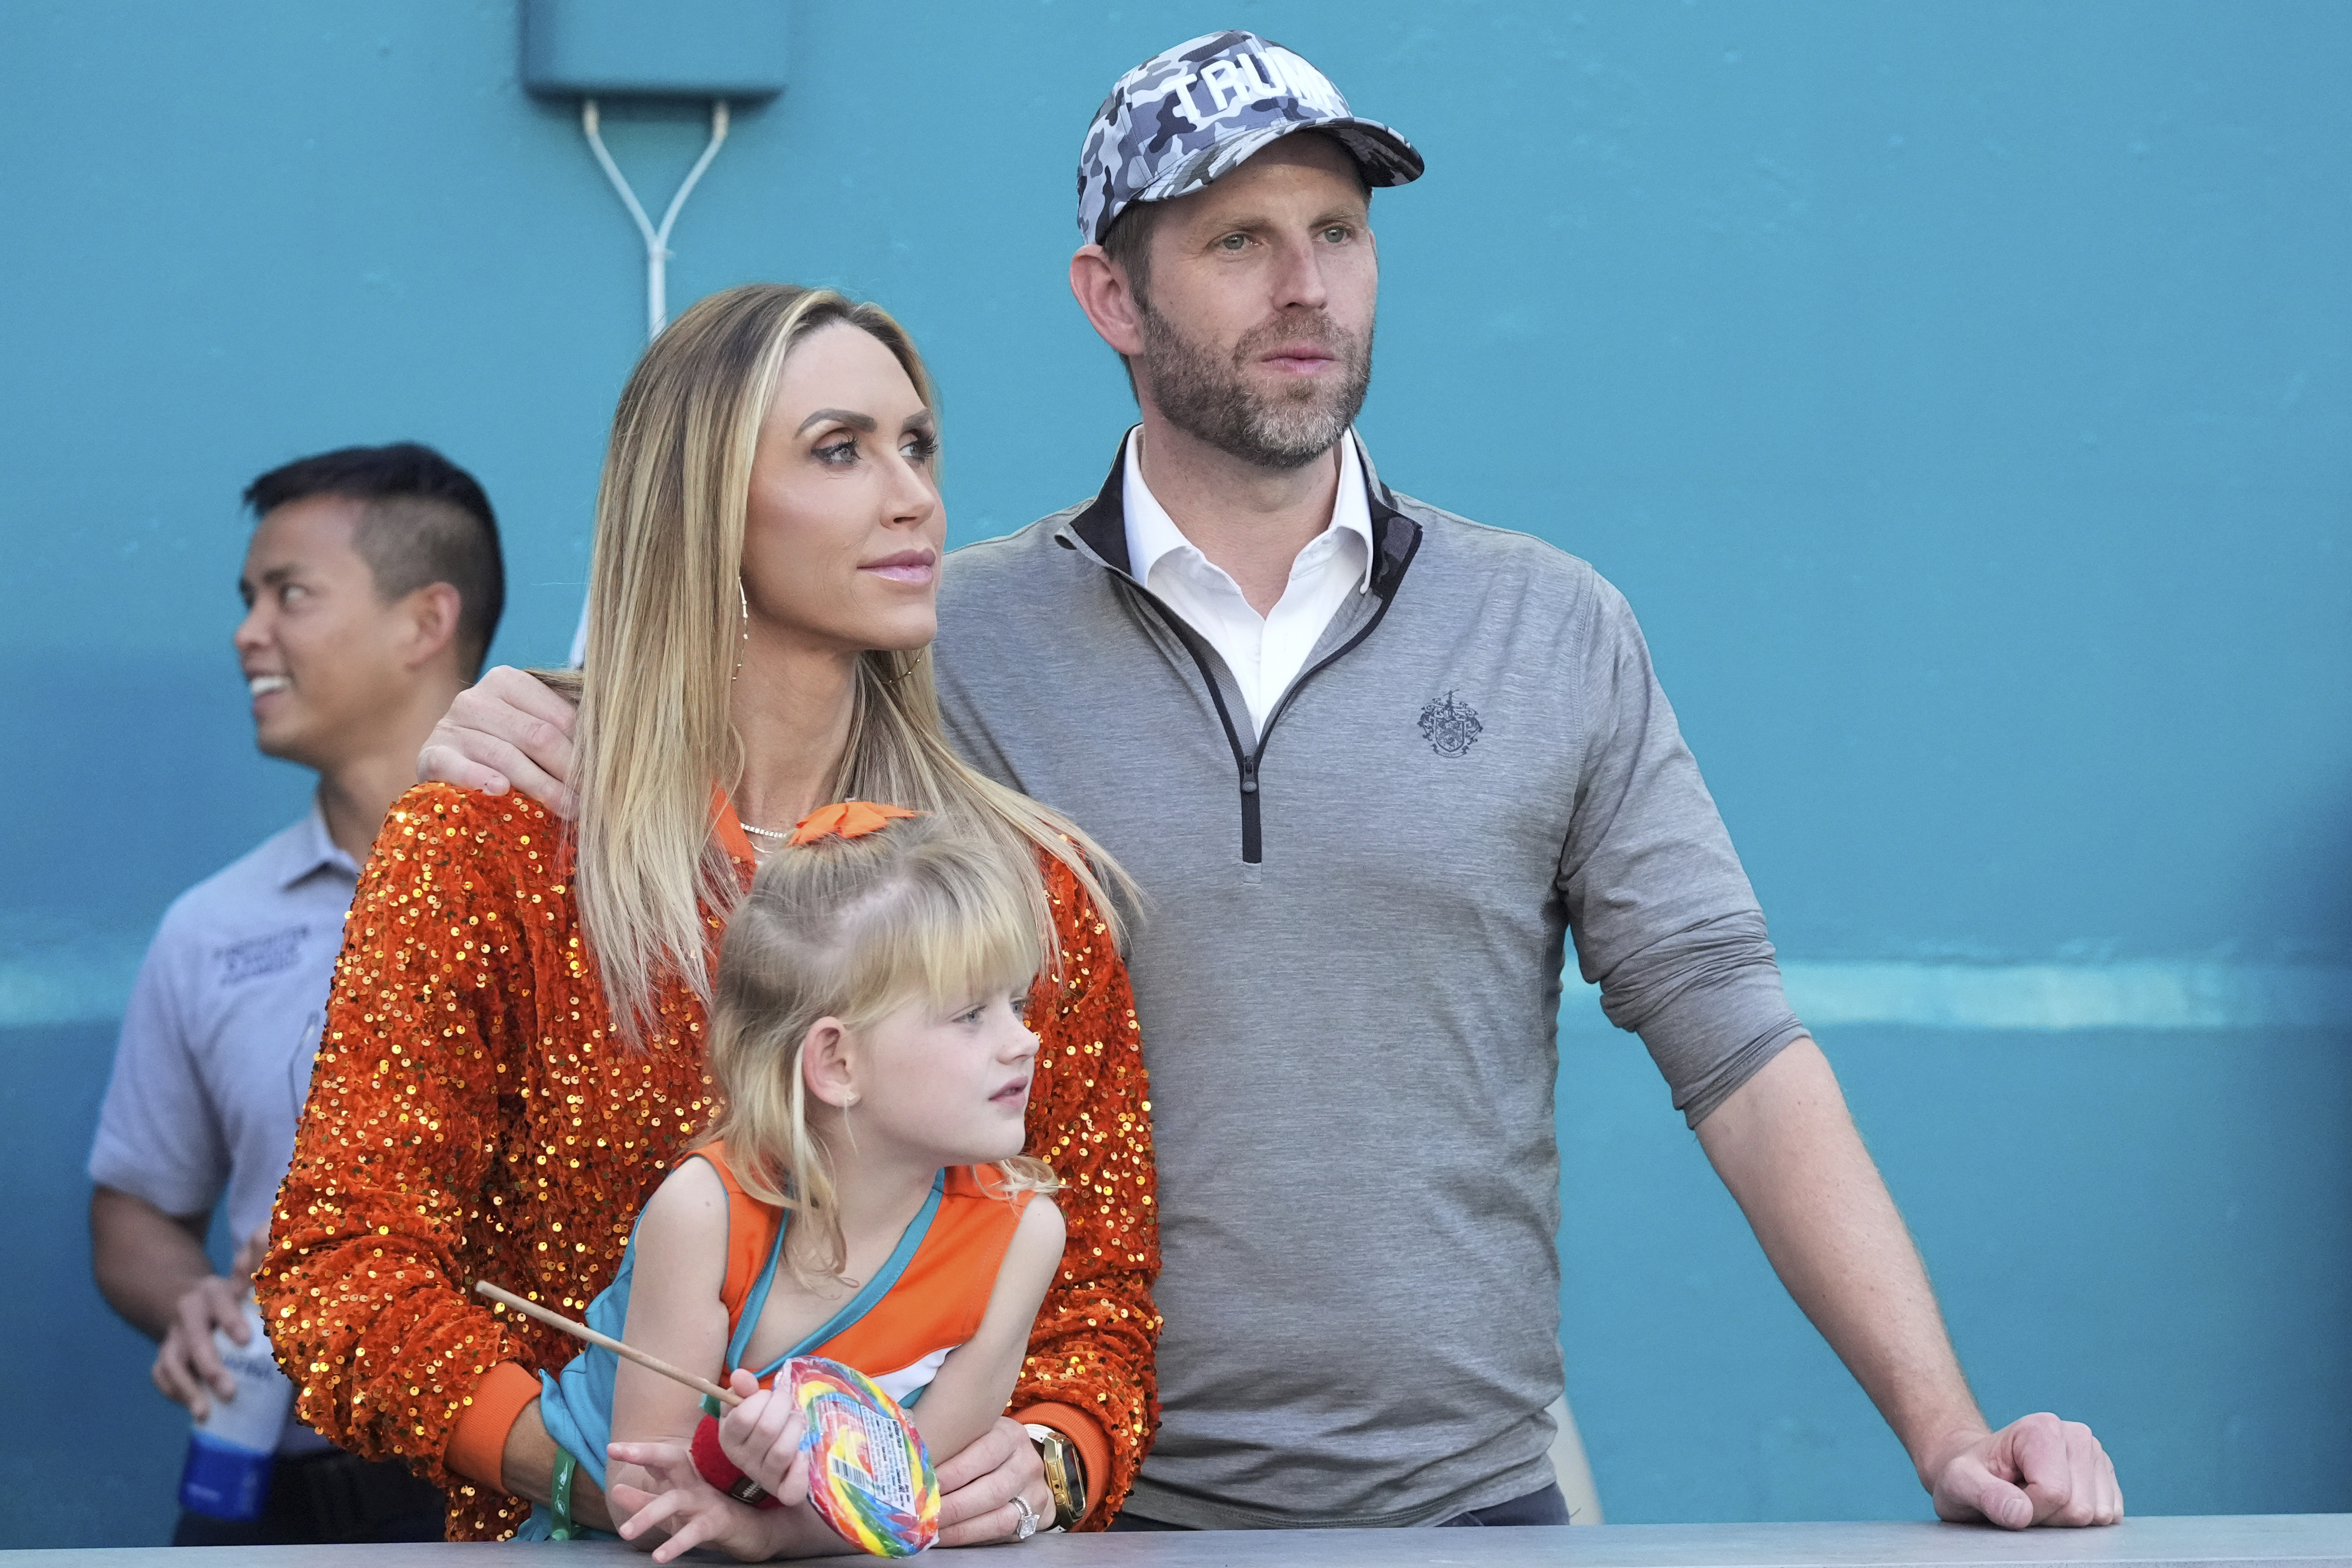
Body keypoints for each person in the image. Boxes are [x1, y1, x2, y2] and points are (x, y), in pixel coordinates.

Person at [423, 32, 2122, 1533]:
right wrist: (479, 731)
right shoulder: (952, 639)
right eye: (1238, 241)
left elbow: (1737, 1045)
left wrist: (1946, 1429)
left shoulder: (1550, 626)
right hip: (1076, 1497)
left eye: (1339, 233)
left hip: (1476, 1494)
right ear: (1111, 296)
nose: (1305, 284)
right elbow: (715, 748)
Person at [258, 286, 1155, 1545]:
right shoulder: (495, 841)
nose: (914, 496)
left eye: (919, 446)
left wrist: (1058, 1456)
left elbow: (1101, 1296)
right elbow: (342, 1270)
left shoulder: (1024, 885)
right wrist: (601, 1480)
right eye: (840, 451)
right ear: (703, 509)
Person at [88, 442, 505, 1544]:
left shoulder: (590, 890)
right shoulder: (212, 928)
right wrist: (188, 1299)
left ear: (426, 622)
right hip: (281, 1478)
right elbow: (134, 1207)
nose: (248, 633)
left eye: (290, 595)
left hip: (538, 1472)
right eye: (248, 598)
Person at [531, 808, 1068, 1560]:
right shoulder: (704, 1214)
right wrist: (731, 1464)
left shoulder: (1025, 1234)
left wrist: (765, 1528)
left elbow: (907, 1495)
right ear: (838, 1064)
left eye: (1017, 1003)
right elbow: (646, 1495)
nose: (1026, 1040)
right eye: (971, 1015)